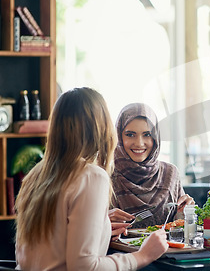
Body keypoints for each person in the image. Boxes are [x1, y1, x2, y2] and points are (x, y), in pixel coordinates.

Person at [15, 87, 169, 270]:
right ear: (101, 127)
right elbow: (84, 266)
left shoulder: (35, 174)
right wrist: (142, 256)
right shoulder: (91, 176)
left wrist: (100, 228)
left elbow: (49, 247)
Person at [111, 103, 194, 228]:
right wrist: (102, 220)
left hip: (168, 247)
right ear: (118, 136)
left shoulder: (170, 174)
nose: (139, 143)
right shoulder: (106, 175)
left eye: (147, 135)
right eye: (130, 135)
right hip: (118, 248)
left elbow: (179, 226)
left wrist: (187, 212)